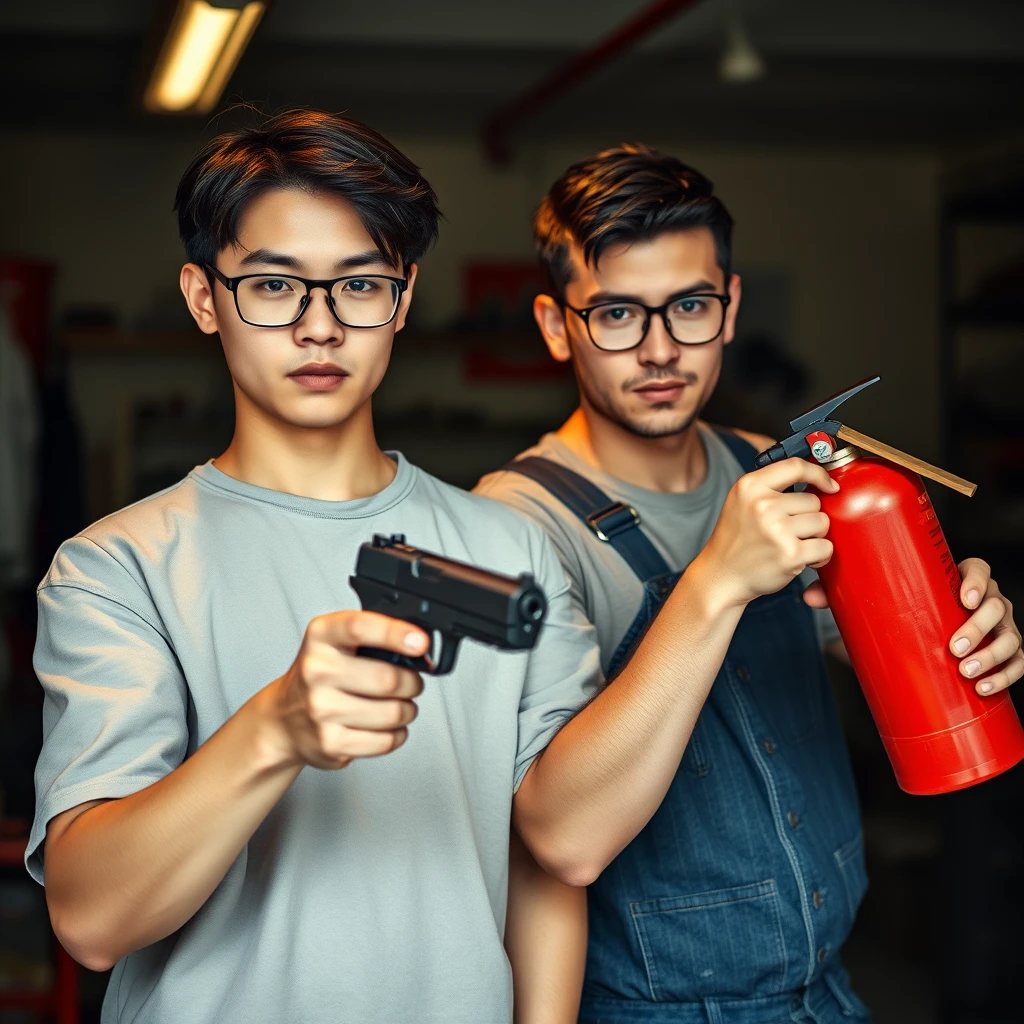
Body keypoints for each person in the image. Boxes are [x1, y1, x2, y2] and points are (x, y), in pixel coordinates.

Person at [475, 144, 1024, 1024]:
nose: (659, 350)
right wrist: (717, 580)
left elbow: (871, 654)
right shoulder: (510, 529)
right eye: (616, 313)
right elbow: (561, 841)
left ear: (728, 308)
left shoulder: (780, 474)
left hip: (833, 992)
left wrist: (955, 625)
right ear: (554, 323)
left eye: (689, 306)